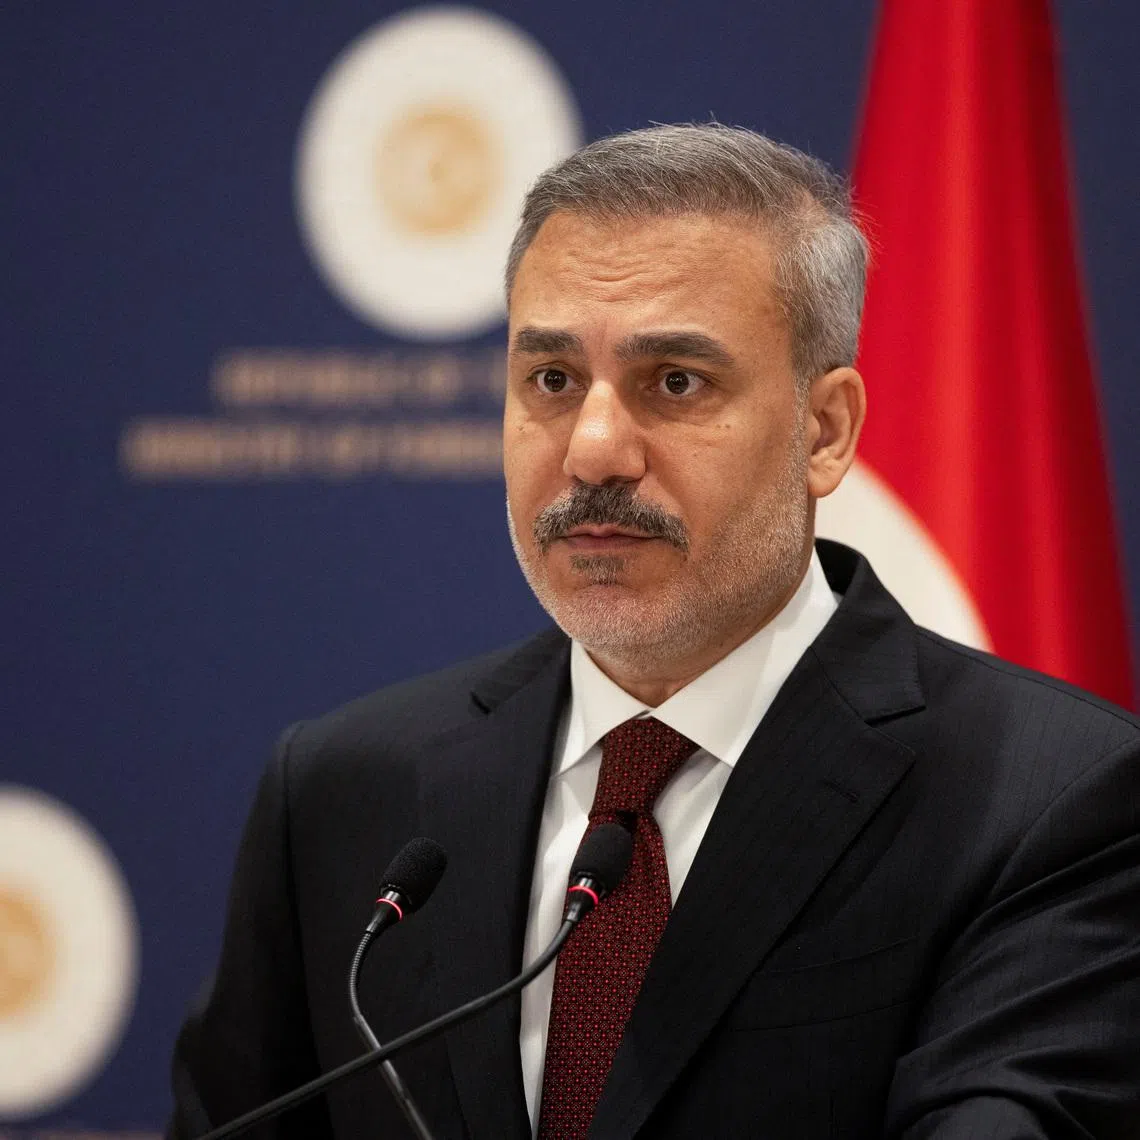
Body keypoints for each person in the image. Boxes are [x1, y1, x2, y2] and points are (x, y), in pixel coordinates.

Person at [169, 124, 1140, 1139]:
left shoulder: (1051, 804)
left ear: (826, 430)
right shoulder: (341, 791)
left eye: (675, 382)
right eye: (550, 380)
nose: (593, 450)